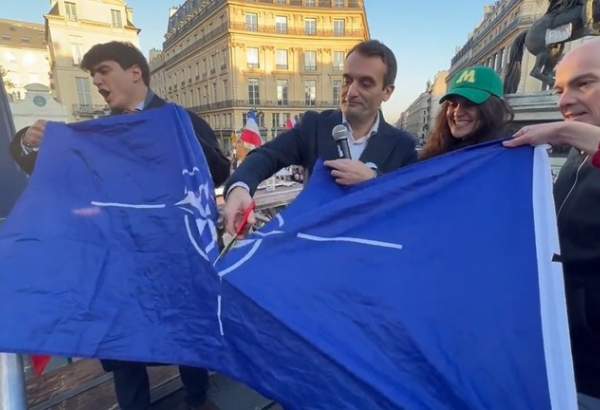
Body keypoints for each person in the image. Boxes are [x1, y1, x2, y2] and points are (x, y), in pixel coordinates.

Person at [9, 41, 227, 410]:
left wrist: (179, 144)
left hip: (175, 256)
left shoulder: (179, 119)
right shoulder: (101, 131)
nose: (97, 81)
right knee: (122, 341)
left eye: (103, 71)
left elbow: (220, 170)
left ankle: (198, 400)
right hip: (124, 260)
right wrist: (28, 141)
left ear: (135, 72)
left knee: (186, 331)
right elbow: (40, 164)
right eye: (93, 75)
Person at [222, 40, 417, 235]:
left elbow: (412, 200)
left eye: (365, 84)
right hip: (315, 247)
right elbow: (268, 155)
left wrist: (374, 181)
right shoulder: (314, 125)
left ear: (387, 92)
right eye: (347, 80)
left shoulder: (403, 146)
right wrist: (240, 188)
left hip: (369, 252)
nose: (351, 92)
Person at [504, 38, 600, 409]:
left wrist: (561, 131)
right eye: (560, 89)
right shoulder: (576, 160)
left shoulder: (577, 143)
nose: (563, 101)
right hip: (559, 359)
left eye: (584, 83)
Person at [420, 65, 513, 160]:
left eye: (469, 104)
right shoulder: (435, 152)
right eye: (453, 104)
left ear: (493, 109)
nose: (457, 113)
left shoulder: (508, 156)